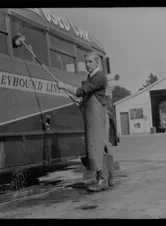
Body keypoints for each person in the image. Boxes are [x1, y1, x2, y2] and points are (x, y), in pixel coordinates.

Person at [57, 51, 113, 192]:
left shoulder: (99, 76)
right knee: (98, 147)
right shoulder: (92, 76)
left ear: (96, 62)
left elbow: (79, 91)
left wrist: (63, 86)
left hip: (97, 117)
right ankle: (108, 178)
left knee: (98, 147)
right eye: (86, 62)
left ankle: (103, 180)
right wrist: (82, 104)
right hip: (92, 116)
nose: (87, 65)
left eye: (90, 62)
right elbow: (88, 96)